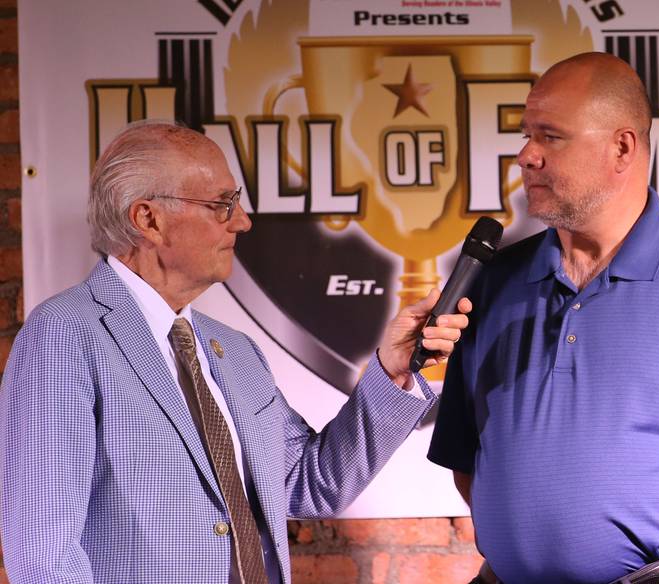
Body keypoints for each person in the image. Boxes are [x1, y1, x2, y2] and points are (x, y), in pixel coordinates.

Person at [0, 121, 470, 584]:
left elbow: (309, 483)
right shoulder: (65, 334)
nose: (242, 221)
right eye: (221, 205)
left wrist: (390, 371)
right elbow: (45, 556)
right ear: (148, 219)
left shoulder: (235, 352)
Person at [428, 52, 659, 584]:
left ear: (622, 146)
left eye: (550, 136)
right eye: (526, 134)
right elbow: (471, 463)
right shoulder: (490, 284)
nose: (525, 156)